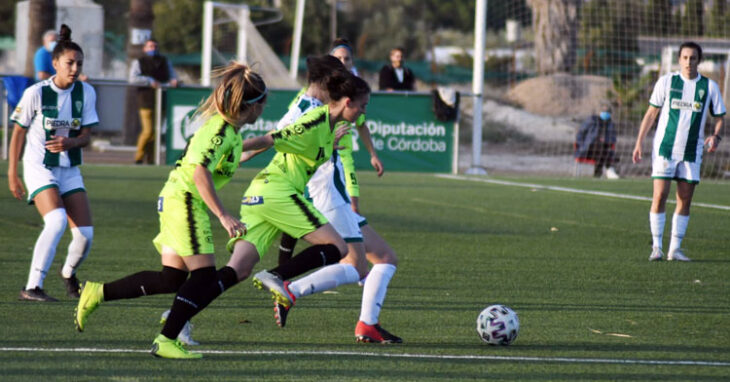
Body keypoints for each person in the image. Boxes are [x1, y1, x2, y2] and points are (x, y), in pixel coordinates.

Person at [74, 62, 265, 352]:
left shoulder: (231, 133)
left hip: (175, 197)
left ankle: (96, 293)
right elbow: (200, 172)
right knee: (202, 277)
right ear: (251, 106)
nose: (263, 110)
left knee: (172, 278)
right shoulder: (220, 132)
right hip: (185, 200)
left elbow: (235, 154)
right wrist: (224, 216)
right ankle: (167, 340)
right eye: (263, 104)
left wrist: (277, 139)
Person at [261, 53, 401, 344]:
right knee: (359, 265)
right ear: (326, 81)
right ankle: (294, 291)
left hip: (331, 192)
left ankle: (367, 324)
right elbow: (276, 139)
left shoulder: (320, 107)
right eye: (338, 74)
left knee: (384, 258)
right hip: (327, 194)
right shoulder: (307, 109)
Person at [8, 25, 97, 302]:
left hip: (69, 168)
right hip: (39, 166)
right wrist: (12, 173)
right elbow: (18, 132)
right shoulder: (36, 92)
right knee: (57, 220)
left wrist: (71, 143)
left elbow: (87, 136)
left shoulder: (86, 92)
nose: (74, 68)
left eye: (79, 63)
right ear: (55, 63)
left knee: (85, 235)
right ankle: (33, 286)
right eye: (69, 63)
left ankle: (68, 274)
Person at [632, 41, 725, 262]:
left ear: (699, 61)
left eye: (693, 58)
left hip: (692, 151)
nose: (688, 62)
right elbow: (650, 114)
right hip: (665, 149)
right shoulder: (666, 82)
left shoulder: (709, 87)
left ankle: (675, 249)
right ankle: (657, 247)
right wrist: (639, 143)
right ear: (679, 59)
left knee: (684, 199)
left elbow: (720, 117)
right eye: (684, 57)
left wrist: (716, 136)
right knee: (660, 195)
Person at [129, 38, 179, 164]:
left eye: (155, 46)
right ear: (145, 48)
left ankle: (151, 159)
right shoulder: (139, 62)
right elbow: (132, 78)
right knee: (148, 131)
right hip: (146, 101)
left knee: (156, 133)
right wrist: (149, 81)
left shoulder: (164, 61)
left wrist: (174, 81)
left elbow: (172, 76)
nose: (153, 49)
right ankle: (139, 157)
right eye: (150, 46)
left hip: (161, 100)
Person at [574, 104, 620, 179]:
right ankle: (609, 170)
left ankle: (599, 173)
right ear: (600, 112)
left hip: (603, 150)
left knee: (604, 149)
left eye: (607, 112)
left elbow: (613, 139)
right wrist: (580, 145)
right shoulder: (592, 120)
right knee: (602, 149)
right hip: (588, 148)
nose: (605, 113)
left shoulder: (610, 124)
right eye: (604, 111)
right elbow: (580, 133)